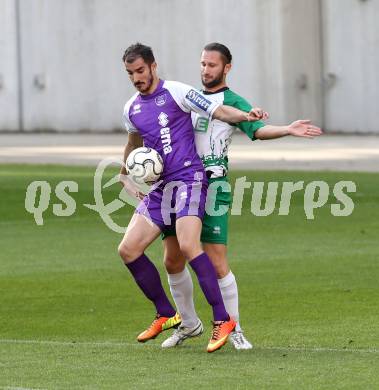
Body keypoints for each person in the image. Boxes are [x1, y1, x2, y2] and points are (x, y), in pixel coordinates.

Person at [161, 42, 322, 349]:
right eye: (203, 64)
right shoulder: (188, 98)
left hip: (214, 186)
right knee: (172, 259)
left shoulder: (232, 101)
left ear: (227, 68)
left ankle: (233, 328)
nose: (206, 70)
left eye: (212, 65)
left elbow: (257, 129)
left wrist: (287, 129)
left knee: (217, 260)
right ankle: (188, 323)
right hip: (179, 185)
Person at [118, 43, 266, 353]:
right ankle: (165, 313)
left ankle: (222, 319)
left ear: (153, 66)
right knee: (128, 249)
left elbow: (218, 110)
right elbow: (133, 142)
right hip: (161, 187)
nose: (136, 78)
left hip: (189, 179)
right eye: (130, 73)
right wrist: (123, 174)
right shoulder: (131, 107)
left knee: (188, 245)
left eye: (141, 71)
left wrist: (245, 115)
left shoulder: (177, 92)